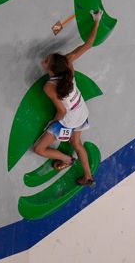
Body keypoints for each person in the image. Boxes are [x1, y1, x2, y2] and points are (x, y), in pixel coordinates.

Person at [33, 10, 102, 187]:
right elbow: (88, 45)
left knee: (39, 149)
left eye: (46, 61)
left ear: (51, 70)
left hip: (68, 120)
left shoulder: (49, 87)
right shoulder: (68, 63)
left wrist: (52, 126)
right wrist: (97, 20)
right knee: (76, 142)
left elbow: (62, 111)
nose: (44, 60)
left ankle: (67, 160)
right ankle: (88, 176)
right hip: (81, 112)